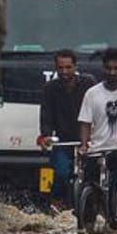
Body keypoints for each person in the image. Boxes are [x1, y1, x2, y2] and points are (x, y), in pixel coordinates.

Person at [78, 47, 117, 220]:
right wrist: (84, 145)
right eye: (108, 68)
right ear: (103, 68)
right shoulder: (92, 93)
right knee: (86, 181)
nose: (112, 72)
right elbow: (85, 122)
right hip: (98, 148)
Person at [37, 49, 96, 210]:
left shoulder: (88, 83)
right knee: (60, 172)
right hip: (63, 140)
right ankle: (57, 205)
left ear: (75, 67)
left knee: (96, 173)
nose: (64, 72)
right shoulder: (50, 88)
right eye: (60, 68)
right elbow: (46, 115)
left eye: (68, 67)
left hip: (89, 140)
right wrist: (46, 136)